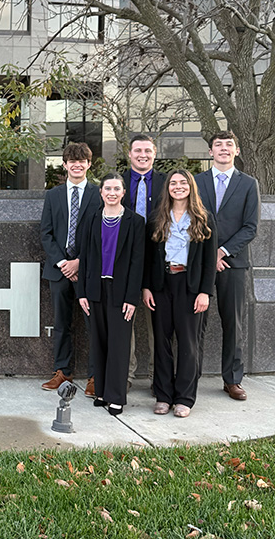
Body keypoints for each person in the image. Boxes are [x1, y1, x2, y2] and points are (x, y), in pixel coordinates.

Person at [142, 170, 217, 418]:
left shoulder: (204, 218)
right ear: (167, 188)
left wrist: (205, 292)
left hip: (190, 286)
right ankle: (163, 395)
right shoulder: (156, 218)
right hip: (161, 284)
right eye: (173, 183)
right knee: (161, 342)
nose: (178, 186)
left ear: (191, 186)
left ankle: (184, 398)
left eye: (183, 182)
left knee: (188, 343)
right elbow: (149, 258)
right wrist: (146, 287)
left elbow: (209, 261)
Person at [193, 131, 259, 401]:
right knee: (195, 323)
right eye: (218, 145)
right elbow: (192, 220)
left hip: (234, 264)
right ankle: (190, 377)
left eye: (228, 144)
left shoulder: (249, 184)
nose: (223, 148)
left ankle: (232, 380)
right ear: (210, 152)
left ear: (237, 150)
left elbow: (250, 227)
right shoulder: (197, 182)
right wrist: (210, 255)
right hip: (200, 263)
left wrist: (221, 252)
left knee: (233, 322)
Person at [76, 173, 145, 416]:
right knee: (99, 342)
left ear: (123, 193)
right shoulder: (92, 219)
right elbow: (84, 257)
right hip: (95, 289)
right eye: (108, 188)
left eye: (117, 189)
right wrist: (82, 292)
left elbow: (138, 262)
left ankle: (116, 396)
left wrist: (131, 298)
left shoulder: (135, 222)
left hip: (121, 291)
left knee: (119, 344)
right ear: (101, 192)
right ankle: (102, 391)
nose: (112, 193)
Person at [40, 142, 100, 394]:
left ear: (89, 164)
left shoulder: (98, 194)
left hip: (88, 269)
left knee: (94, 324)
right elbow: (46, 233)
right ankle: (62, 372)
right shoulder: (53, 195)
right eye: (72, 161)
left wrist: (80, 262)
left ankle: (95, 376)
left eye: (81, 161)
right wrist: (63, 263)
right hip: (59, 270)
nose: (77, 165)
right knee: (61, 323)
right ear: (64, 165)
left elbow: (101, 235)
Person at [121, 134, 165, 389]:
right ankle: (126, 375)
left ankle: (156, 376)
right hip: (124, 261)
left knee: (157, 323)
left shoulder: (167, 183)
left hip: (158, 260)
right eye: (137, 150)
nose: (143, 155)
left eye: (147, 150)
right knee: (124, 320)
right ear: (129, 154)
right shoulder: (117, 182)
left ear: (154, 153)